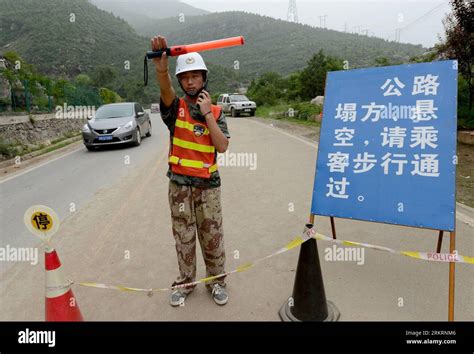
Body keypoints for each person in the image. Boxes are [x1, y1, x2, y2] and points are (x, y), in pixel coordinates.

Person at [151, 35, 230, 307]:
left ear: (204, 79)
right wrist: (162, 69)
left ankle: (217, 282)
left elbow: (222, 146)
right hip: (180, 187)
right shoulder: (175, 109)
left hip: (208, 187)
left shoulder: (217, 111)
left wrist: (208, 114)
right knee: (183, 236)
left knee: (212, 236)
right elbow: (165, 90)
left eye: (195, 76)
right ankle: (185, 283)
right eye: (185, 77)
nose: (190, 81)